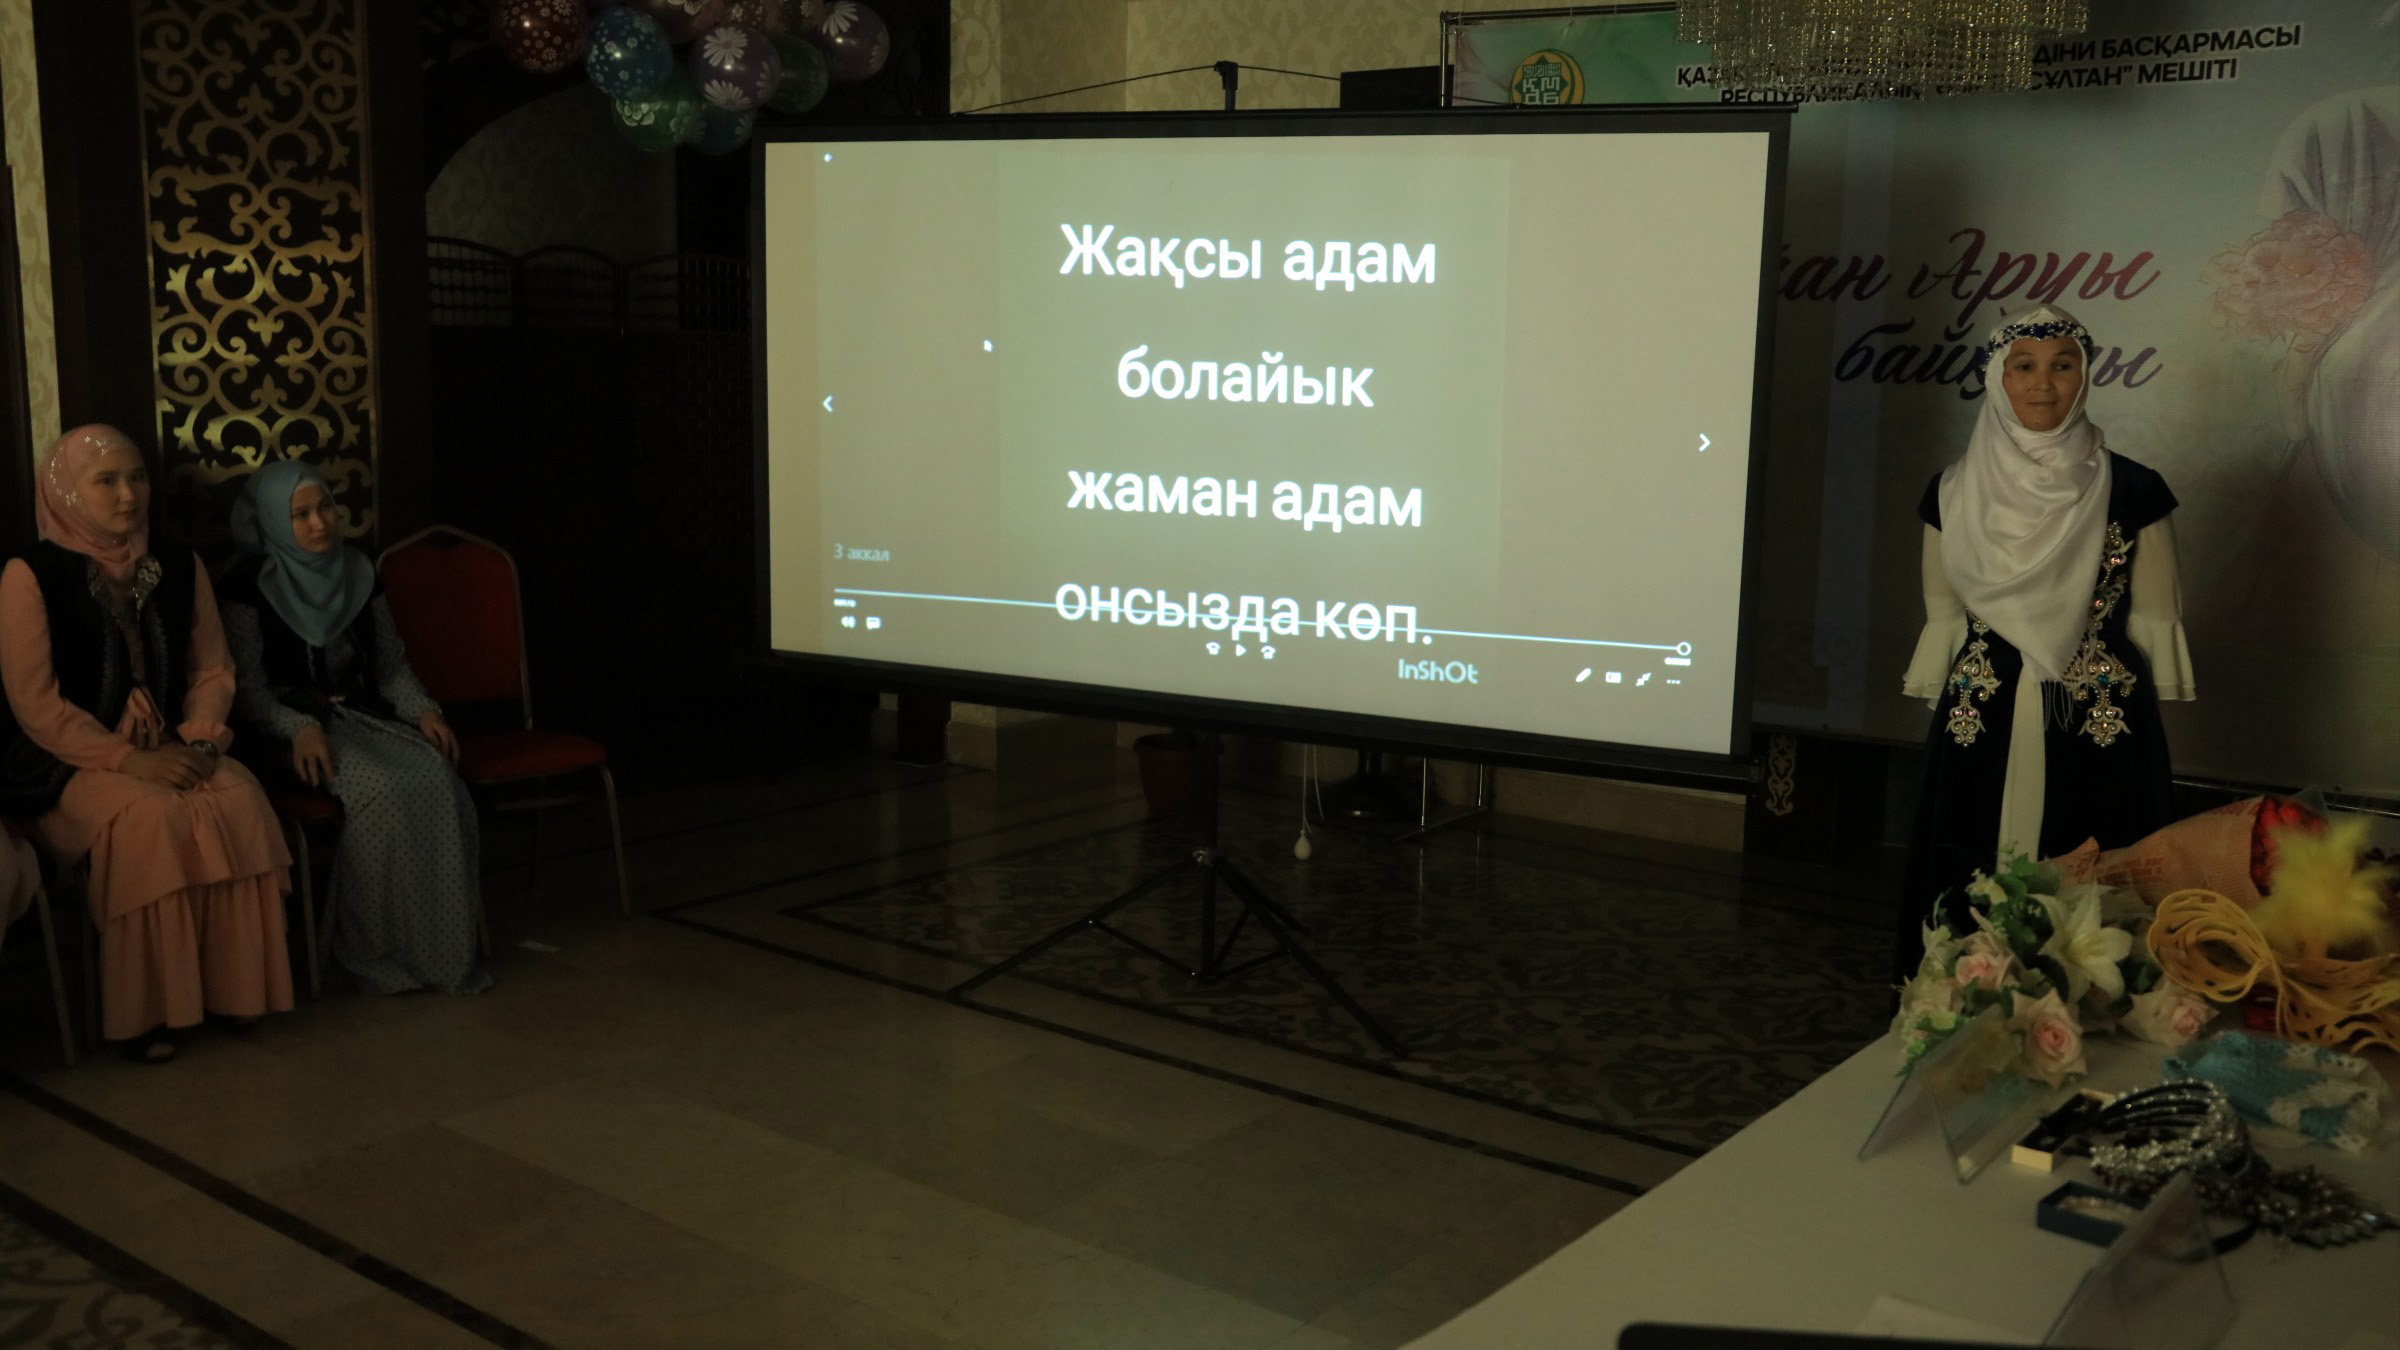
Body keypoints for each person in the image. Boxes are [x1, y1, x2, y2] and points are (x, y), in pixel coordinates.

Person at [1897, 304, 2197, 980]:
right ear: (1997, 379)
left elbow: (2155, 612)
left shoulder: (2135, 488)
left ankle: (2096, 1010)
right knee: (1972, 867)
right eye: (2024, 366)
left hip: (2097, 720)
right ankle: (1966, 999)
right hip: (1984, 715)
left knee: (2100, 890)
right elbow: (1945, 616)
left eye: (2063, 365)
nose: (2043, 383)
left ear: (2084, 376)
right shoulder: (1952, 492)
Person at [0, 425, 294, 1060]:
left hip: (172, 741)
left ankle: (234, 991)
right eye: (105, 481)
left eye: (136, 478)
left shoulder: (178, 563)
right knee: (149, 820)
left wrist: (204, 742)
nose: (128, 495)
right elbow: (36, 704)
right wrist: (129, 760)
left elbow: (212, 670)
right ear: (65, 490)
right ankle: (147, 1014)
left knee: (238, 798)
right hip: (62, 758)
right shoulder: (29, 574)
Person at [221, 461, 489, 996]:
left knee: (437, 777)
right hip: (287, 734)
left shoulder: (359, 572)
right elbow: (246, 689)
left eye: (325, 507)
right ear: (271, 520)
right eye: (300, 515)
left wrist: (424, 711)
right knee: (380, 790)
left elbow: (390, 666)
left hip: (359, 716)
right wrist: (298, 727)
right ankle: (370, 953)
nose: (319, 523)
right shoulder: (246, 586)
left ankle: (437, 950)